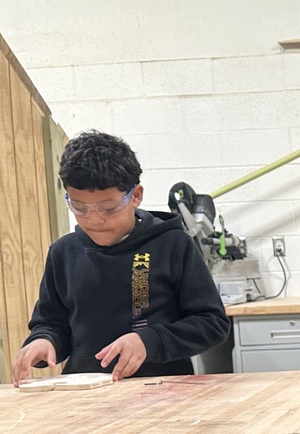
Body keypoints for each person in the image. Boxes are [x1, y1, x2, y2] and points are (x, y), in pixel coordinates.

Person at [12, 130, 230, 385]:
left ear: (135, 196)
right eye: (79, 207)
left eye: (108, 208)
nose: (94, 219)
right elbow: (52, 323)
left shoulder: (172, 244)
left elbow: (212, 324)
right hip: (86, 395)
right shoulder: (63, 253)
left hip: (164, 391)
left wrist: (149, 341)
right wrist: (43, 341)